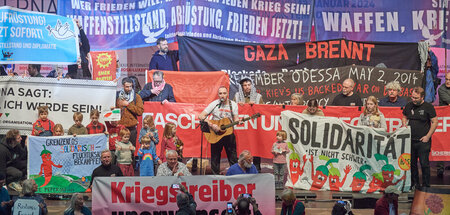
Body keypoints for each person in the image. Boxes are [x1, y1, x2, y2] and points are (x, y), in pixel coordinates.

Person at [198, 86, 240, 175]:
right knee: (215, 157)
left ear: (227, 94)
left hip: (228, 134)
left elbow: (236, 119)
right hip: (216, 134)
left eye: (224, 93)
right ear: (218, 95)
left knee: (232, 156)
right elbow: (201, 116)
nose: (222, 95)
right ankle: (215, 177)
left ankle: (236, 176)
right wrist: (212, 125)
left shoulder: (233, 105)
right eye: (220, 93)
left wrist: (238, 121)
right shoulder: (214, 104)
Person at [402, 87, 438, 188]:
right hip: (410, 140)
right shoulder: (409, 105)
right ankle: (415, 184)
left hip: (423, 141)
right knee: (412, 164)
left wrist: (427, 136)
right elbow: (404, 116)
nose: (413, 99)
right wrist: (404, 123)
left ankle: (426, 185)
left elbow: (435, 122)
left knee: (424, 163)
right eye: (412, 97)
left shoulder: (428, 107)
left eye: (416, 98)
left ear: (422, 97)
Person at [233, 77, 263, 172]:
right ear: (242, 87)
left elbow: (263, 111)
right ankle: (240, 168)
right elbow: (232, 108)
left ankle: (257, 168)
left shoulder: (258, 97)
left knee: (255, 146)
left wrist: (256, 106)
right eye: (245, 85)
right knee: (241, 145)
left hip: (254, 127)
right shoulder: (237, 96)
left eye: (249, 85)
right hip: (242, 127)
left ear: (252, 86)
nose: (247, 87)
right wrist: (238, 104)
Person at [116, 77, 144, 147]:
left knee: (131, 149)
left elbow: (140, 111)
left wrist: (128, 105)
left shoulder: (136, 97)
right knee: (119, 150)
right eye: (127, 87)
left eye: (130, 86)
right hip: (120, 127)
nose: (129, 88)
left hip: (131, 128)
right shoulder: (117, 96)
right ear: (123, 86)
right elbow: (113, 111)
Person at [437, 73, 450, 178]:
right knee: (441, 143)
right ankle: (440, 169)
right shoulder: (441, 89)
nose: (448, 81)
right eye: (446, 79)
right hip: (444, 120)